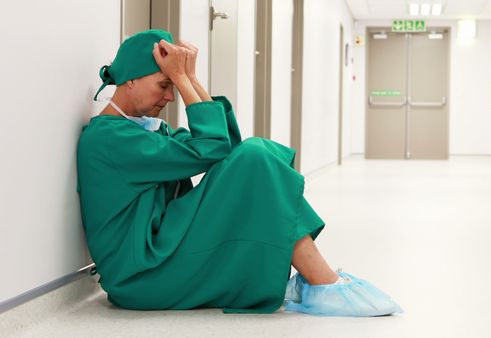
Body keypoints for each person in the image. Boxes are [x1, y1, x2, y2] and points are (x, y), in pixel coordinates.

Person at [76, 29, 402, 316]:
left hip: (161, 255)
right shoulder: (110, 139)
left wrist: (191, 78)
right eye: (165, 84)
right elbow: (212, 147)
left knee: (255, 159)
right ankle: (322, 282)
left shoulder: (146, 132)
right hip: (142, 275)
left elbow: (227, 149)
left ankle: (319, 280)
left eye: (173, 86)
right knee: (256, 156)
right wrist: (184, 78)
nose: (170, 96)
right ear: (130, 80)